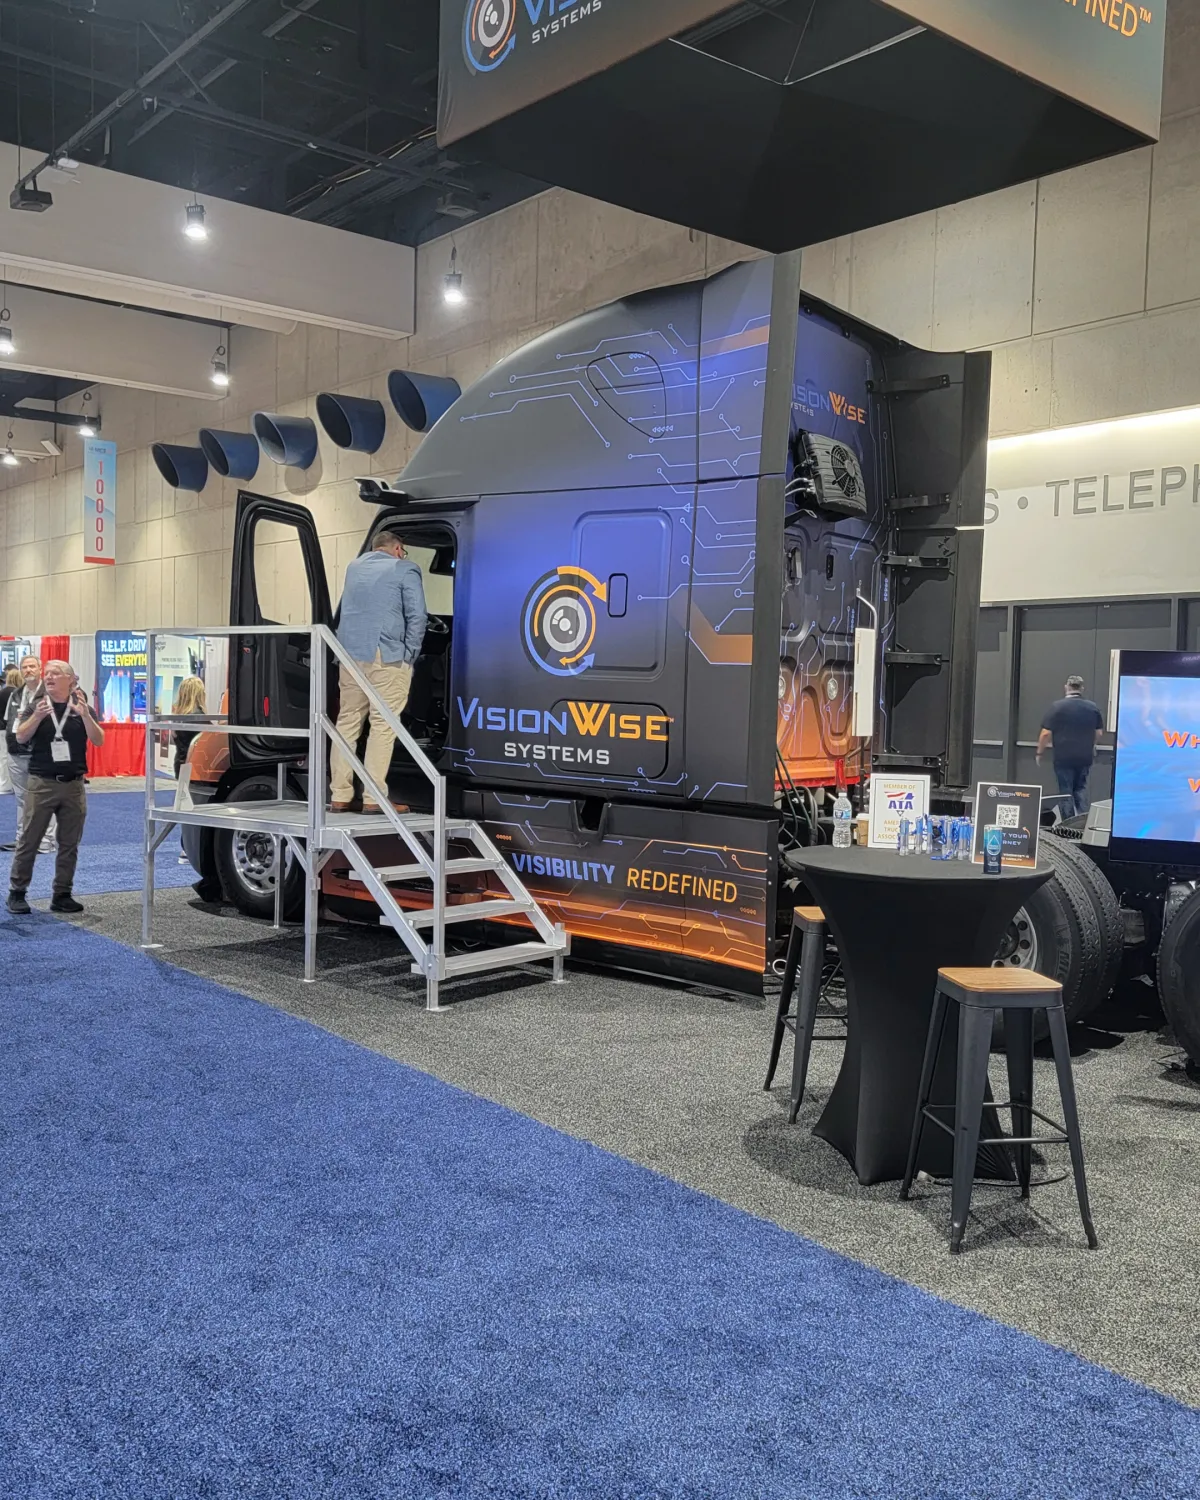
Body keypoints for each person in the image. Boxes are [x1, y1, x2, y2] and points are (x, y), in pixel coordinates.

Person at [330, 530, 427, 814]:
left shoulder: (354, 567)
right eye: (403, 551)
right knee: (382, 725)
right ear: (398, 549)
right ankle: (373, 798)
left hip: (349, 655)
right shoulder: (405, 568)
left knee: (347, 723)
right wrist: (409, 655)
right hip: (385, 656)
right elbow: (418, 616)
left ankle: (340, 795)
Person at [6, 660, 105, 915]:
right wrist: (37, 717)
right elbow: (20, 736)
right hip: (41, 783)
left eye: (55, 674)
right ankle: (17, 892)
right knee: (30, 839)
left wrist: (85, 715)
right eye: (47, 673)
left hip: (73, 785)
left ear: (70, 680)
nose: (48, 677)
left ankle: (62, 893)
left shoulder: (81, 707)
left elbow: (98, 739)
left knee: (69, 843)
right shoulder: (36, 705)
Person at [2, 655, 57, 855]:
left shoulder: (50, 693)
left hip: (41, 755)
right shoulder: (16, 694)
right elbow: (9, 722)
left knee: (44, 798)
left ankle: (46, 841)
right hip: (16, 755)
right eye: (24, 667)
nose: (28, 670)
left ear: (40, 669)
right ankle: (22, 839)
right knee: (21, 800)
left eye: (32, 666)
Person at [1037, 674, 1105, 818]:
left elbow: (1045, 734)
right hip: (1084, 756)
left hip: (1063, 757)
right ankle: (1083, 822)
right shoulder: (1092, 708)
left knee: (1066, 791)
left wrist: (1040, 753)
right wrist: (1091, 745)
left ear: (1066, 687)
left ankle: (1067, 827)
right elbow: (1098, 733)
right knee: (1080, 789)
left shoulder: (1057, 707)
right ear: (1082, 688)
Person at [171, 675, 208, 777]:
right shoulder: (197, 717)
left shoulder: (179, 717)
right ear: (199, 695)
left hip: (181, 763)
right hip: (192, 766)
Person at [0, 665, 19, 796]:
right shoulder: (15, 693)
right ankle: (6, 784)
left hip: (3, 728)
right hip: (6, 728)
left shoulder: (4, 692)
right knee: (5, 757)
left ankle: (5, 783)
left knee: (4, 756)